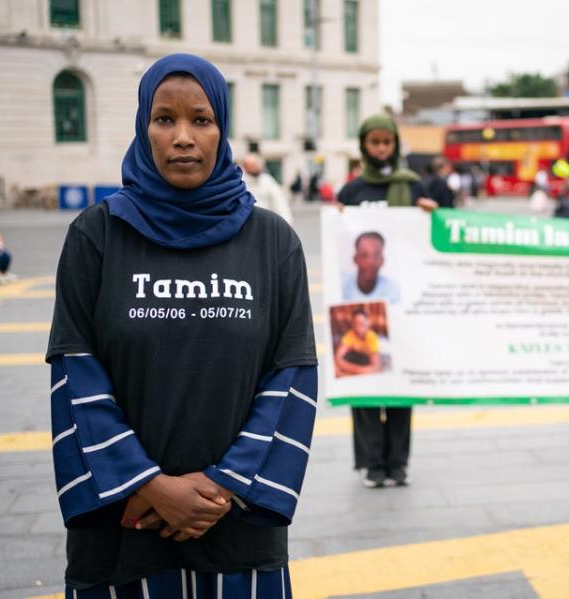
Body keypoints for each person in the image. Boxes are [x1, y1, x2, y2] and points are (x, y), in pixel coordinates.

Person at [45, 53, 318, 596]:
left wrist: (221, 487)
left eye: (201, 119)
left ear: (222, 129)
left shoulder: (272, 242)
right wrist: (148, 485)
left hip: (237, 528)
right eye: (165, 119)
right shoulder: (97, 236)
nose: (184, 137)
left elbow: (292, 378)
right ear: (143, 127)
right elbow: (76, 374)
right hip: (126, 528)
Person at [336, 113, 438, 489]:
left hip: (400, 304)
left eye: (387, 142)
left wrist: (430, 215)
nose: (381, 149)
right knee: (363, 387)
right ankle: (370, 464)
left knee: (399, 388)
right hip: (359, 308)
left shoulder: (412, 186)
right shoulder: (351, 192)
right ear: (364, 145)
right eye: (375, 142)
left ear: (395, 144)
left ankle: (398, 463)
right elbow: (339, 242)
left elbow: (430, 241)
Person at [342, 231, 401, 303]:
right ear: (355, 259)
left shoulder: (392, 290)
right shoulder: (340, 285)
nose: (370, 262)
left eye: (376, 255)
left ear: (382, 260)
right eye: (364, 255)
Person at [242, 152, 293, 225]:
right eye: (251, 165)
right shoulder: (241, 182)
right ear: (245, 167)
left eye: (256, 164)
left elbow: (278, 201)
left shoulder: (267, 181)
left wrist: (286, 221)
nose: (255, 167)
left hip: (266, 222)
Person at [334, 310, 382, 377]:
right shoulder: (350, 335)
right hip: (354, 359)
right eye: (356, 323)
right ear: (353, 325)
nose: (359, 327)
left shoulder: (372, 337)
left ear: (368, 323)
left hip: (365, 362)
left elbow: (376, 367)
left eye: (362, 323)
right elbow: (338, 358)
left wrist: (353, 370)